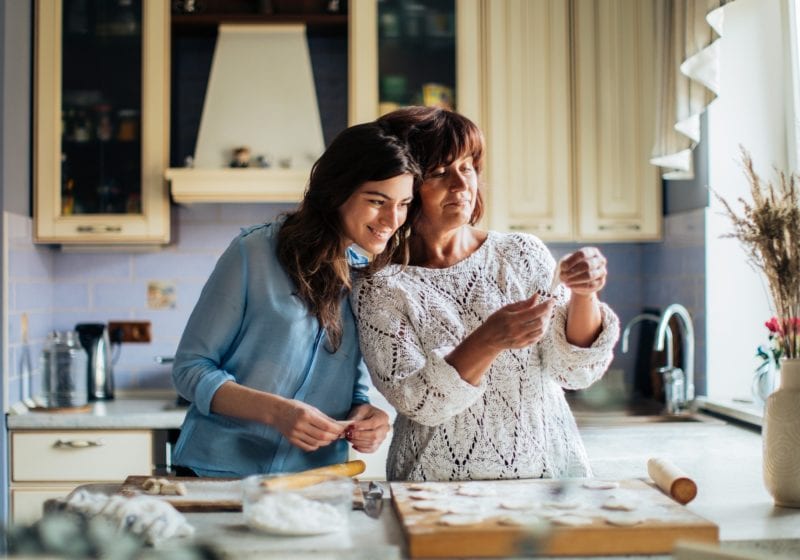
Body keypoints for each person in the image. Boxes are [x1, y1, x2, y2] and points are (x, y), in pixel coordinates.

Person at [351, 107, 620, 481]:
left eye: (468, 167)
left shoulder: (521, 254)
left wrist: (584, 294)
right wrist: (490, 339)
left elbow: (574, 371)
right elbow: (419, 401)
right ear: (405, 185)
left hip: (549, 476)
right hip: (435, 487)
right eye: (440, 173)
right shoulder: (381, 285)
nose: (462, 185)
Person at [172, 122, 421, 477]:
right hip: (218, 473)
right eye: (377, 201)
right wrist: (278, 413)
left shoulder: (368, 279)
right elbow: (189, 370)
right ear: (338, 191)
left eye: (404, 204)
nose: (392, 219)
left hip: (313, 482)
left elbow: (354, 387)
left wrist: (367, 415)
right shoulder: (253, 252)